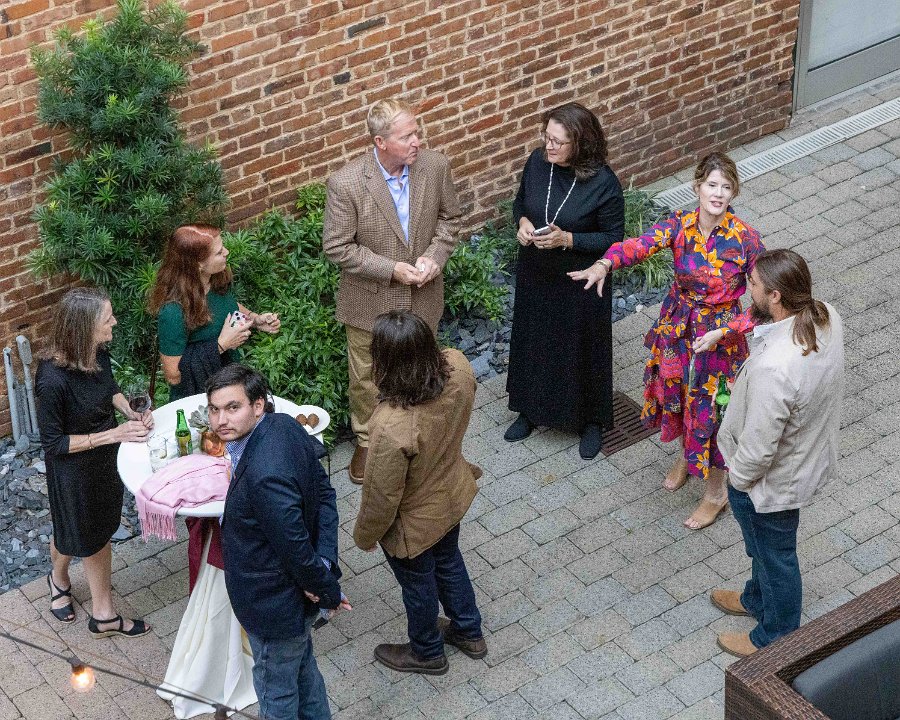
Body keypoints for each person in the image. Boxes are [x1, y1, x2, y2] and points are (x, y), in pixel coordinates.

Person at [569, 152, 765, 529]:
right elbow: (639, 245)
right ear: (697, 187)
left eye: (726, 187)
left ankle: (716, 493)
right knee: (676, 396)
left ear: (734, 191)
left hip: (719, 342)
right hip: (677, 330)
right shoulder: (679, 225)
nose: (718, 193)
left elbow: (767, 303)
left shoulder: (746, 239)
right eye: (711, 185)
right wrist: (605, 263)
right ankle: (688, 455)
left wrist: (727, 330)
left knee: (712, 413)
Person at [322, 98, 462, 484]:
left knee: (423, 367)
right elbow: (337, 247)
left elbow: (450, 219)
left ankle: (422, 436)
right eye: (407, 137)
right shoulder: (346, 183)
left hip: (423, 295)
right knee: (367, 375)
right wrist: (391, 269)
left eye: (417, 132)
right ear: (380, 142)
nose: (418, 141)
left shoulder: (435, 166)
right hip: (369, 301)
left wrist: (435, 256)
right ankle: (368, 441)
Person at [712, 250, 844, 657]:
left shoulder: (776, 368)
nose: (746, 288)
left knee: (775, 556)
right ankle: (756, 599)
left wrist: (736, 482)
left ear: (775, 296)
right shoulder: (826, 316)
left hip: (770, 483)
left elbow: (759, 448)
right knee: (764, 547)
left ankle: (776, 637)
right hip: (802, 458)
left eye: (752, 283)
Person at [210, 364, 350, 720]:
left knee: (277, 696)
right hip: (292, 604)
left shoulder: (263, 476)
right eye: (214, 409)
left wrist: (327, 588)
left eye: (232, 407)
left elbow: (295, 546)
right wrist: (326, 567)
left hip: (274, 607)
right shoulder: (285, 425)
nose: (221, 420)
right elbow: (324, 495)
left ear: (258, 405)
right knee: (304, 674)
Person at [353, 310, 485, 675]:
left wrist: (365, 536)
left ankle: (427, 652)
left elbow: (381, 496)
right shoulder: (458, 367)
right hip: (452, 494)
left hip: (414, 525)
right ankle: (468, 631)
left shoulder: (391, 425)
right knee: (449, 561)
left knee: (418, 585)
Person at [505, 102, 625, 459]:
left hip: (580, 280)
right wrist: (523, 223)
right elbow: (520, 203)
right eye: (547, 137)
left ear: (580, 143)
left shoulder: (604, 183)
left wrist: (569, 240)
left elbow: (614, 238)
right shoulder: (537, 162)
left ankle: (591, 421)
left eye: (558, 141)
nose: (549, 146)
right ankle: (529, 409)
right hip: (537, 273)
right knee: (535, 342)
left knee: (582, 349)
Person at [35, 288, 153, 638]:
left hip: (105, 457)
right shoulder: (51, 380)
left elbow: (109, 386)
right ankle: (104, 616)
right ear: (84, 327)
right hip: (74, 469)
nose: (114, 322)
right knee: (93, 534)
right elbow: (54, 443)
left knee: (72, 529)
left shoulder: (95, 350)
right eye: (107, 318)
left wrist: (129, 411)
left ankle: (58, 579)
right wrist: (115, 434)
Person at [149, 224, 281, 402]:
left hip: (232, 383)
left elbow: (227, 305)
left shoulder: (216, 280)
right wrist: (221, 345)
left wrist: (255, 319)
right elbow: (173, 375)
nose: (226, 252)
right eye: (219, 252)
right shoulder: (172, 311)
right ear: (198, 264)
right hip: (199, 398)